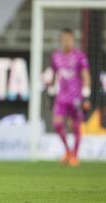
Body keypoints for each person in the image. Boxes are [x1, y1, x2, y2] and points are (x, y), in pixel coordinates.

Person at [49, 28, 91, 166]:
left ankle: (75, 155)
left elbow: (85, 75)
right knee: (57, 124)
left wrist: (85, 96)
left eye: (69, 38)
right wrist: (51, 90)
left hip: (76, 97)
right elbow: (53, 74)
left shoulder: (80, 56)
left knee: (75, 125)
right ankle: (68, 150)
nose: (67, 41)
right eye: (64, 38)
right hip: (61, 96)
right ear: (61, 40)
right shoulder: (56, 56)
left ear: (73, 40)